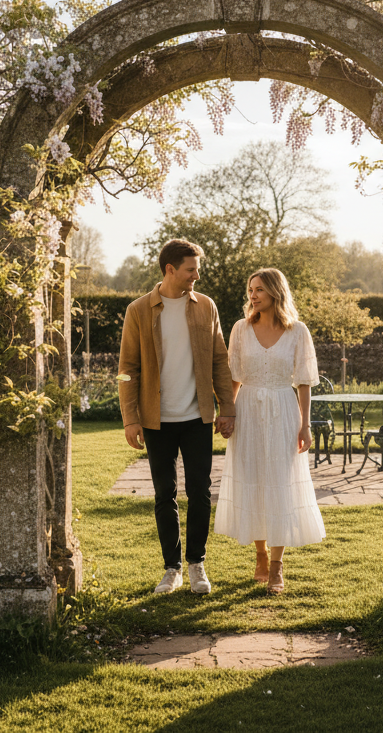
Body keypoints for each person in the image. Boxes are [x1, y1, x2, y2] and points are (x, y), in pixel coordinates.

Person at [118, 239, 235, 595]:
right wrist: (130, 418)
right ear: (170, 269)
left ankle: (197, 564)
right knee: (163, 494)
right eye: (190, 269)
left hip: (197, 416)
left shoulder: (206, 307)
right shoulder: (138, 310)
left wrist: (227, 407)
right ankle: (172, 570)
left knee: (200, 492)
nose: (196, 276)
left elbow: (219, 360)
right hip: (157, 420)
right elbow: (127, 368)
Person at [214, 268, 326, 594]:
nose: (253, 295)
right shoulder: (240, 329)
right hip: (247, 409)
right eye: (251, 289)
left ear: (275, 292)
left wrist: (305, 424)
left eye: (259, 289)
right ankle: (260, 554)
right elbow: (233, 376)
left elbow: (304, 382)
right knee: (254, 482)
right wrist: (228, 413)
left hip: (283, 409)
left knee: (279, 483)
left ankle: (277, 565)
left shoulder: (297, 331)